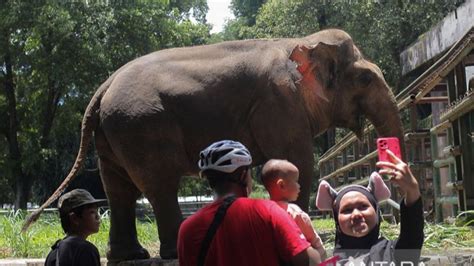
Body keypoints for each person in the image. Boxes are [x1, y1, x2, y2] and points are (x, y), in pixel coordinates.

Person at [178, 140, 321, 266]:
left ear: (210, 181)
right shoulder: (268, 211)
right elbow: (310, 262)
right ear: (243, 175)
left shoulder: (186, 229)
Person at [316, 149, 424, 264]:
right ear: (337, 221)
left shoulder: (394, 253)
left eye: (363, 206)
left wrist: (412, 190)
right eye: (347, 210)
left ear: (377, 212)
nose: (356, 214)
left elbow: (412, 235)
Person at [261, 159, 327, 260]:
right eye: (296, 181)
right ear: (281, 185)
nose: (299, 186)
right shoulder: (295, 213)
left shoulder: (263, 213)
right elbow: (316, 244)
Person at [45, 189, 107, 266]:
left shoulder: (53, 253)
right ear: (74, 218)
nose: (98, 216)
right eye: (92, 212)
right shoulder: (86, 250)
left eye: (97, 211)